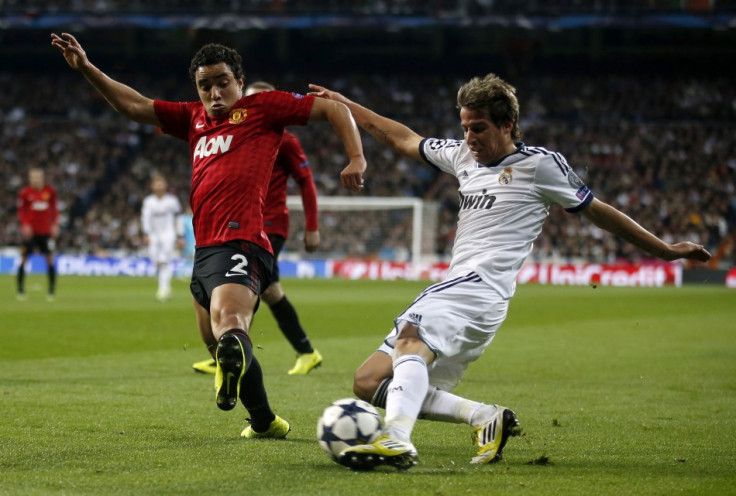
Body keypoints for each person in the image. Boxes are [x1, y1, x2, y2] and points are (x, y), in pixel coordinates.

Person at [308, 75, 711, 470]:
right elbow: (401, 137)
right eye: (465, 128)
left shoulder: (540, 165)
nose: (469, 138)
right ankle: (485, 416)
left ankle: (395, 439)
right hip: (462, 290)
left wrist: (663, 249)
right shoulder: (463, 156)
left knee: (410, 338)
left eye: (479, 128)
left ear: (507, 125)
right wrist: (344, 104)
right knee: (368, 381)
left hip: (481, 287)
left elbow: (599, 211)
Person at [51, 33, 366, 440]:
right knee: (216, 340)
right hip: (205, 249)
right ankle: (264, 420)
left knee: (230, 323)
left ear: (239, 80)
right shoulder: (194, 118)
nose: (214, 93)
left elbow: (335, 108)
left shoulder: (263, 108)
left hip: (243, 240)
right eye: (205, 86)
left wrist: (356, 156)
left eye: (222, 83)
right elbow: (134, 106)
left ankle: (253, 356)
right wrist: (88, 70)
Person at [192, 81, 323, 376]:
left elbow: (306, 182)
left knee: (245, 286)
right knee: (269, 290)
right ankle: (304, 352)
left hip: (270, 223)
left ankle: (230, 354)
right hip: (241, 227)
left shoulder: (285, 140)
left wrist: (312, 227)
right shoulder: (234, 137)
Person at [16, 167, 59, 301]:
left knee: (50, 259)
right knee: (24, 259)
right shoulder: (25, 193)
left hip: (45, 232)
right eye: (33, 177)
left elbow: (55, 210)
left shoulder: (50, 192)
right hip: (31, 233)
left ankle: (51, 291)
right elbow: (21, 211)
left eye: (38, 177)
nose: (35, 179)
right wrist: (24, 225)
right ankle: (20, 290)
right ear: (30, 178)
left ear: (42, 178)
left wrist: (55, 224)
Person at [141, 174, 183, 302]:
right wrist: (146, 233)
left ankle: (163, 289)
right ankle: (164, 285)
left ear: (165, 185)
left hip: (168, 234)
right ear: (152, 186)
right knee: (156, 261)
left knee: (165, 260)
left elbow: (178, 218)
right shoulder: (148, 201)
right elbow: (145, 218)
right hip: (153, 235)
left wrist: (180, 235)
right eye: (156, 184)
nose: (159, 186)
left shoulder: (172, 201)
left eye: (161, 184)